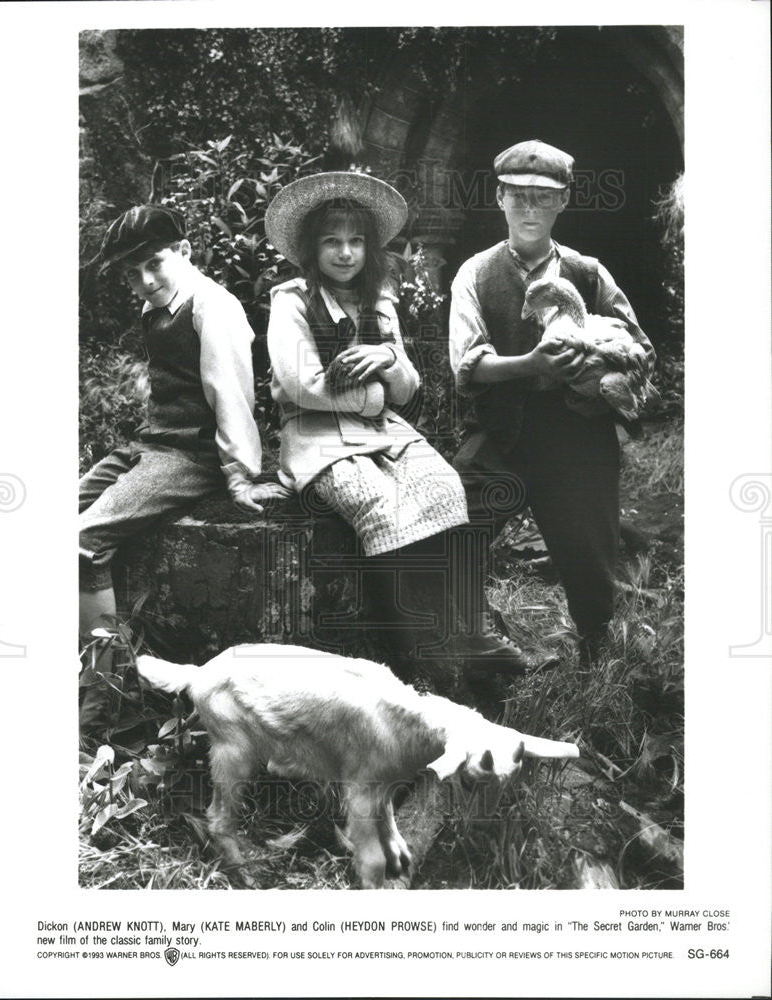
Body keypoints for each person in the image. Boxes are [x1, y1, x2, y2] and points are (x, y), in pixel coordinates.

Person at [264, 171, 531, 681]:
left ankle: (471, 634)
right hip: (318, 439)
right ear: (310, 248)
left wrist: (387, 356)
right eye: (331, 242)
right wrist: (371, 397)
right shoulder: (292, 301)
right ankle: (419, 654)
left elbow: (408, 390)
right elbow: (298, 383)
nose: (345, 253)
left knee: (445, 485)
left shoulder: (377, 299)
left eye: (356, 241)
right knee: (379, 505)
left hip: (387, 432)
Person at [79, 205, 288, 730]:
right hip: (152, 444)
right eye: (132, 273)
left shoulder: (213, 307)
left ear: (185, 252)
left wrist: (240, 473)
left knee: (84, 540)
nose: (144, 280)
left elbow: (231, 392)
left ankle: (111, 689)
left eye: (154, 263)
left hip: (191, 457)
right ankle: (70, 654)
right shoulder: (159, 305)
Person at [449, 140, 656, 664]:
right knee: (454, 519)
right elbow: (467, 366)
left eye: (543, 198)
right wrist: (531, 365)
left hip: (576, 430)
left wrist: (604, 371)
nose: (529, 209)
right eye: (517, 196)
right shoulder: (476, 274)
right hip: (504, 426)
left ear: (563, 201)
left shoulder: (588, 273)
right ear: (499, 198)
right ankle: (473, 640)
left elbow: (640, 348)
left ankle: (596, 650)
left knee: (590, 552)